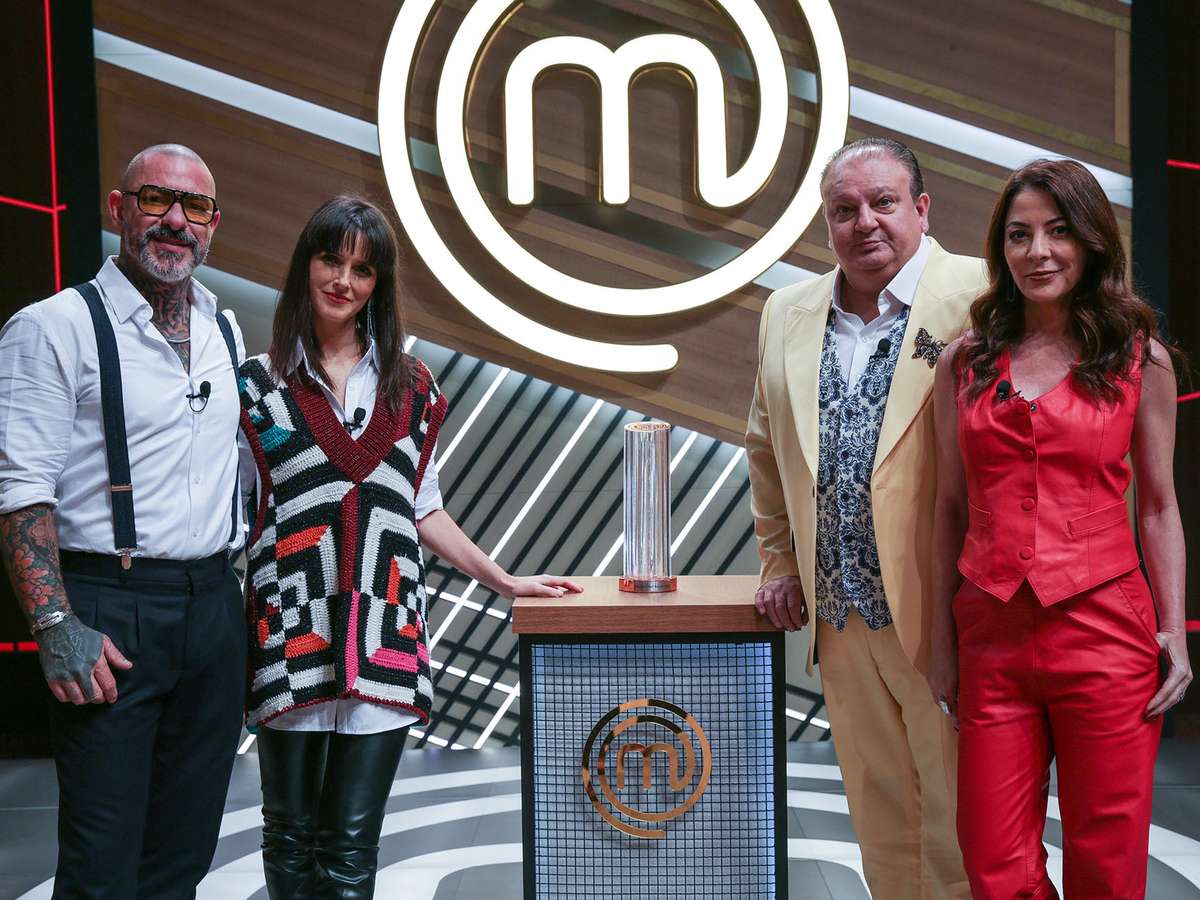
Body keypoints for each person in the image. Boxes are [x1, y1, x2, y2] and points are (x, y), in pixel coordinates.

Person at [238, 195, 582, 898]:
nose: (343, 280)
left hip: (384, 637)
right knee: (289, 837)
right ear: (306, 265)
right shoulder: (255, 385)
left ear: (379, 285)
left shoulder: (412, 387)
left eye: (362, 269)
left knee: (350, 848)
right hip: (291, 632)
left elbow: (423, 507)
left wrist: (505, 580)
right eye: (331, 260)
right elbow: (235, 510)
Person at [928, 158, 1192, 898]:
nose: (1038, 251)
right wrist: (941, 641)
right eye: (1019, 235)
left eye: (1058, 231)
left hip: (1107, 630)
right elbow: (948, 509)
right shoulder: (964, 363)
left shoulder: (1141, 359)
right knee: (994, 864)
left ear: (1091, 241)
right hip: (991, 634)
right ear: (1001, 249)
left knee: (1107, 862)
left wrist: (1173, 630)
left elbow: (1159, 506)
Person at [0, 144, 246, 897]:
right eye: (155, 199)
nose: (175, 220)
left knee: (183, 858)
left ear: (213, 225)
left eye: (194, 206)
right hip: (110, 610)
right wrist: (55, 625)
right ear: (118, 208)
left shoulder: (225, 330)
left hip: (213, 609)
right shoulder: (52, 327)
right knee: (101, 865)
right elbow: (21, 492)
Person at [746, 137, 986, 898]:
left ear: (922, 208)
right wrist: (780, 562)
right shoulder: (787, 310)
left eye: (884, 202)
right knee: (881, 819)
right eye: (844, 209)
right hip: (840, 615)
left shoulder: (982, 294)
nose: (865, 223)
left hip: (946, 611)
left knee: (964, 818)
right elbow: (765, 447)